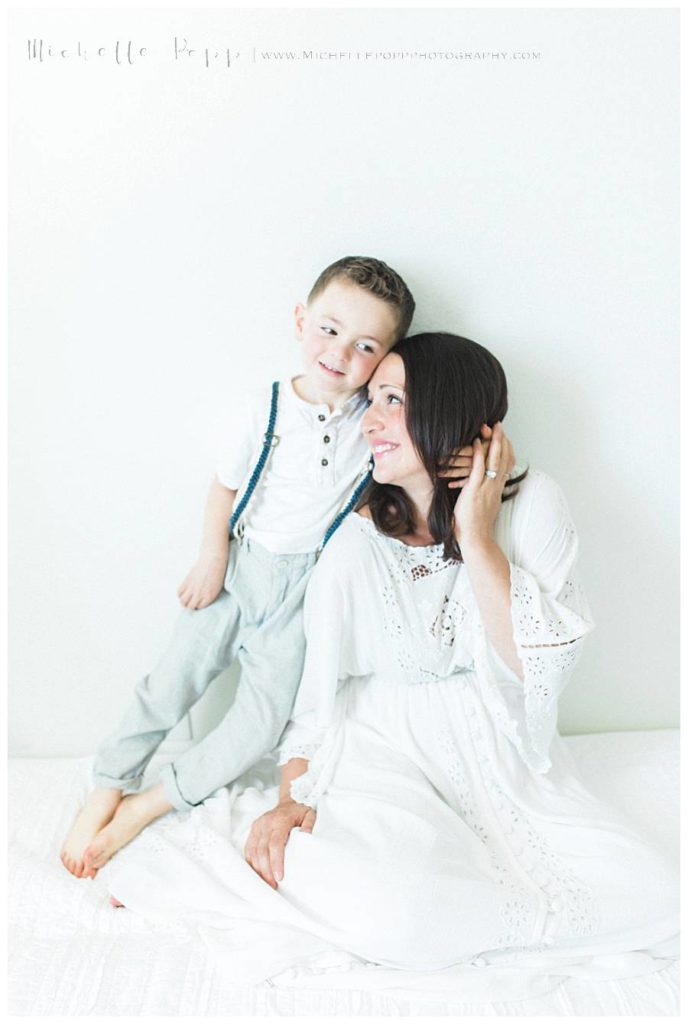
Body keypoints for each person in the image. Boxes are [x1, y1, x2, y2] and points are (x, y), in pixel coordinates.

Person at [100, 333, 677, 984]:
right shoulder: (353, 543)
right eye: (371, 400)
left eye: (392, 400)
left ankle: (474, 918)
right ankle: (221, 874)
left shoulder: (532, 502)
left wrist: (477, 538)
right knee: (402, 915)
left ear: (451, 409)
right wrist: (292, 799)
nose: (369, 420)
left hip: (499, 743)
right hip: (380, 747)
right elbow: (316, 701)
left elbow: (532, 674)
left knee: (657, 899)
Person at [60, 255, 421, 879]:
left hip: (303, 594)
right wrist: (212, 557)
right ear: (301, 320)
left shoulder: (375, 423)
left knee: (259, 725)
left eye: (365, 345)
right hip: (238, 570)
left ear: (386, 357)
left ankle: (154, 800)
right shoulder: (269, 407)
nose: (338, 353)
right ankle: (109, 782)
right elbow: (224, 488)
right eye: (329, 329)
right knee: (170, 682)